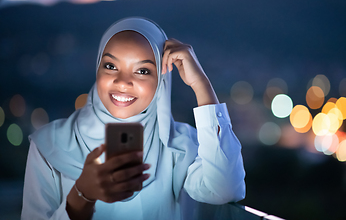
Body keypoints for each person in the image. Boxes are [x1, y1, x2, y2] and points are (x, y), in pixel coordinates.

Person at [21, 17, 246, 220]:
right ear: (97, 69)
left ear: (161, 80)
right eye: (110, 66)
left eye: (142, 71)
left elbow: (225, 189)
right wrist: (82, 195)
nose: (122, 82)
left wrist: (201, 84)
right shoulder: (50, 145)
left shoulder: (179, 144)